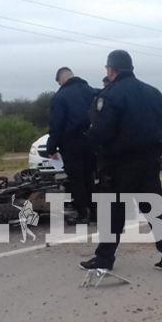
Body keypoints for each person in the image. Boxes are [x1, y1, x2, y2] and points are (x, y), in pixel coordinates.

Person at [82, 50, 162, 271]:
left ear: (112, 69)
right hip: (149, 161)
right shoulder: (153, 92)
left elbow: (102, 131)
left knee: (113, 212)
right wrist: (158, 150)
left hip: (119, 164)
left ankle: (104, 259)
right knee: (155, 209)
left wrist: (92, 148)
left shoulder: (111, 95)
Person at [47, 67, 98, 224]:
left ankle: (83, 214)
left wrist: (51, 147)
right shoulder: (93, 92)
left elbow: (57, 125)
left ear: (61, 79)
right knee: (90, 177)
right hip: (92, 142)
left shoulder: (60, 97)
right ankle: (95, 213)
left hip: (71, 144)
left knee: (77, 180)